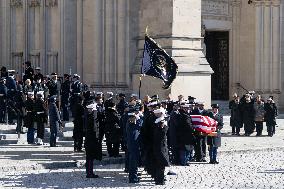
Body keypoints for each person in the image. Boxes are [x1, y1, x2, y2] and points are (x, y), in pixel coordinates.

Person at [152, 108, 170, 185]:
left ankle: (158, 179)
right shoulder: (160, 122)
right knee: (160, 164)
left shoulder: (159, 121)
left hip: (159, 146)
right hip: (160, 146)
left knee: (159, 164)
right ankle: (160, 180)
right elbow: (161, 135)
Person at [84, 102, 102, 178]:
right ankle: (89, 173)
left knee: (89, 157)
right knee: (90, 157)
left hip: (88, 139)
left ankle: (89, 172)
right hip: (91, 140)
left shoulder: (87, 116)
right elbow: (95, 129)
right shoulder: (92, 118)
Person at [126, 107, 143, 183]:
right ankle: (133, 178)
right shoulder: (131, 124)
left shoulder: (130, 123)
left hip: (133, 146)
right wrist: (138, 118)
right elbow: (140, 124)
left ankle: (133, 176)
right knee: (133, 163)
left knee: (134, 162)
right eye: (133, 117)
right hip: (133, 146)